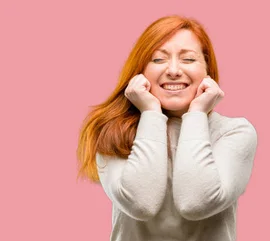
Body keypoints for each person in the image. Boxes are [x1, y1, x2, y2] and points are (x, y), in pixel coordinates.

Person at [76, 15, 258, 241]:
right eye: (158, 60)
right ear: (140, 70)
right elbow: (141, 204)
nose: (173, 70)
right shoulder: (112, 132)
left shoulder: (234, 132)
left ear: (207, 70)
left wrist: (197, 114)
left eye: (188, 60)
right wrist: (151, 113)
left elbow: (195, 202)